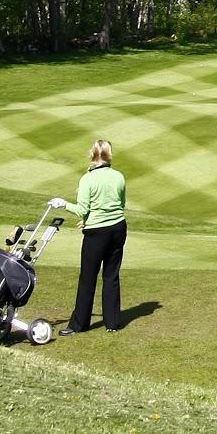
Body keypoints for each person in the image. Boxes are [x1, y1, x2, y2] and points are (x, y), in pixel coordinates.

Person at [50, 139, 129, 334]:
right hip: (118, 228)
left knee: (88, 277)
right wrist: (88, 219)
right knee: (111, 275)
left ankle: (79, 324)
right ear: (109, 155)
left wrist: (63, 204)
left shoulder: (88, 179)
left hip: (97, 234)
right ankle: (112, 323)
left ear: (92, 155)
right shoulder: (119, 176)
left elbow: (82, 208)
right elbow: (120, 204)